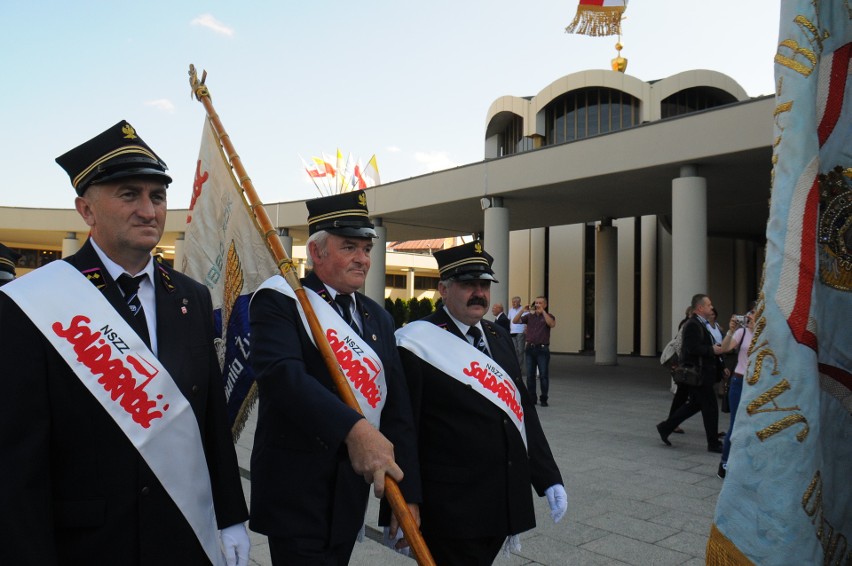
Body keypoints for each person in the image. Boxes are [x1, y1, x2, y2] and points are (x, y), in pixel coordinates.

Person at [0, 120, 250, 564]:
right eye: (129, 194)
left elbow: (210, 419)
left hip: (180, 536)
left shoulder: (190, 296)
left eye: (157, 196)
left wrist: (230, 515)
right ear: (86, 210)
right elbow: (18, 462)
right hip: (89, 544)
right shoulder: (34, 303)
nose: (149, 210)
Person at [248, 191, 421, 565]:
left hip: (349, 493)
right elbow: (282, 377)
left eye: (366, 248)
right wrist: (354, 428)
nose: (362, 259)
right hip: (296, 493)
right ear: (317, 253)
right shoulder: (280, 301)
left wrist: (407, 494)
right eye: (349, 247)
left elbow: (397, 409)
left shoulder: (379, 317)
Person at [396, 240, 566, 565]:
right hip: (450, 507)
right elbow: (404, 428)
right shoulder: (416, 343)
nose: (479, 293)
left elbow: (522, 412)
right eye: (467, 284)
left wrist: (548, 477)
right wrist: (407, 500)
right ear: (443, 289)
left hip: (500, 500)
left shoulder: (498, 337)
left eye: (484, 284)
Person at [656, 293, 725, 453]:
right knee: (710, 407)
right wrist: (711, 350)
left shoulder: (703, 324)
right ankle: (713, 443)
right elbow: (690, 348)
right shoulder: (692, 324)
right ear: (700, 308)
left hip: (702, 373)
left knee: (695, 405)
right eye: (708, 305)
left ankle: (665, 427)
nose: (711, 307)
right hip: (698, 374)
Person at [716, 308, 755, 479]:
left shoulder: (767, 333)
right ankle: (724, 463)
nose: (749, 317)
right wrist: (731, 330)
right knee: (735, 423)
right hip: (739, 381)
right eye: (749, 313)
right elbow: (724, 348)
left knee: (754, 424)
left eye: (754, 313)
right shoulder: (742, 332)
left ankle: (747, 463)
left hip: (757, 384)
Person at [512, 296, 557, 406]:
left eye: (540, 303)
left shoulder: (549, 316)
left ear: (545, 305)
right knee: (530, 375)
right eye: (536, 303)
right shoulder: (529, 316)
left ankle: (544, 398)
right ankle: (532, 398)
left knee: (543, 375)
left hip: (542, 349)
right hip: (530, 348)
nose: (537, 305)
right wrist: (522, 310)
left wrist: (543, 312)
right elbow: (515, 321)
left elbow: (552, 324)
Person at [507, 295, 526, 371]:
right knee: (514, 350)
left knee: (520, 350)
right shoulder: (511, 310)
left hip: (520, 331)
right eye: (512, 302)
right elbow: (509, 320)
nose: (513, 303)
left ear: (519, 302)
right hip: (512, 331)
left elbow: (525, 321)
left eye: (515, 302)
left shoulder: (523, 310)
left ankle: (519, 367)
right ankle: (515, 366)